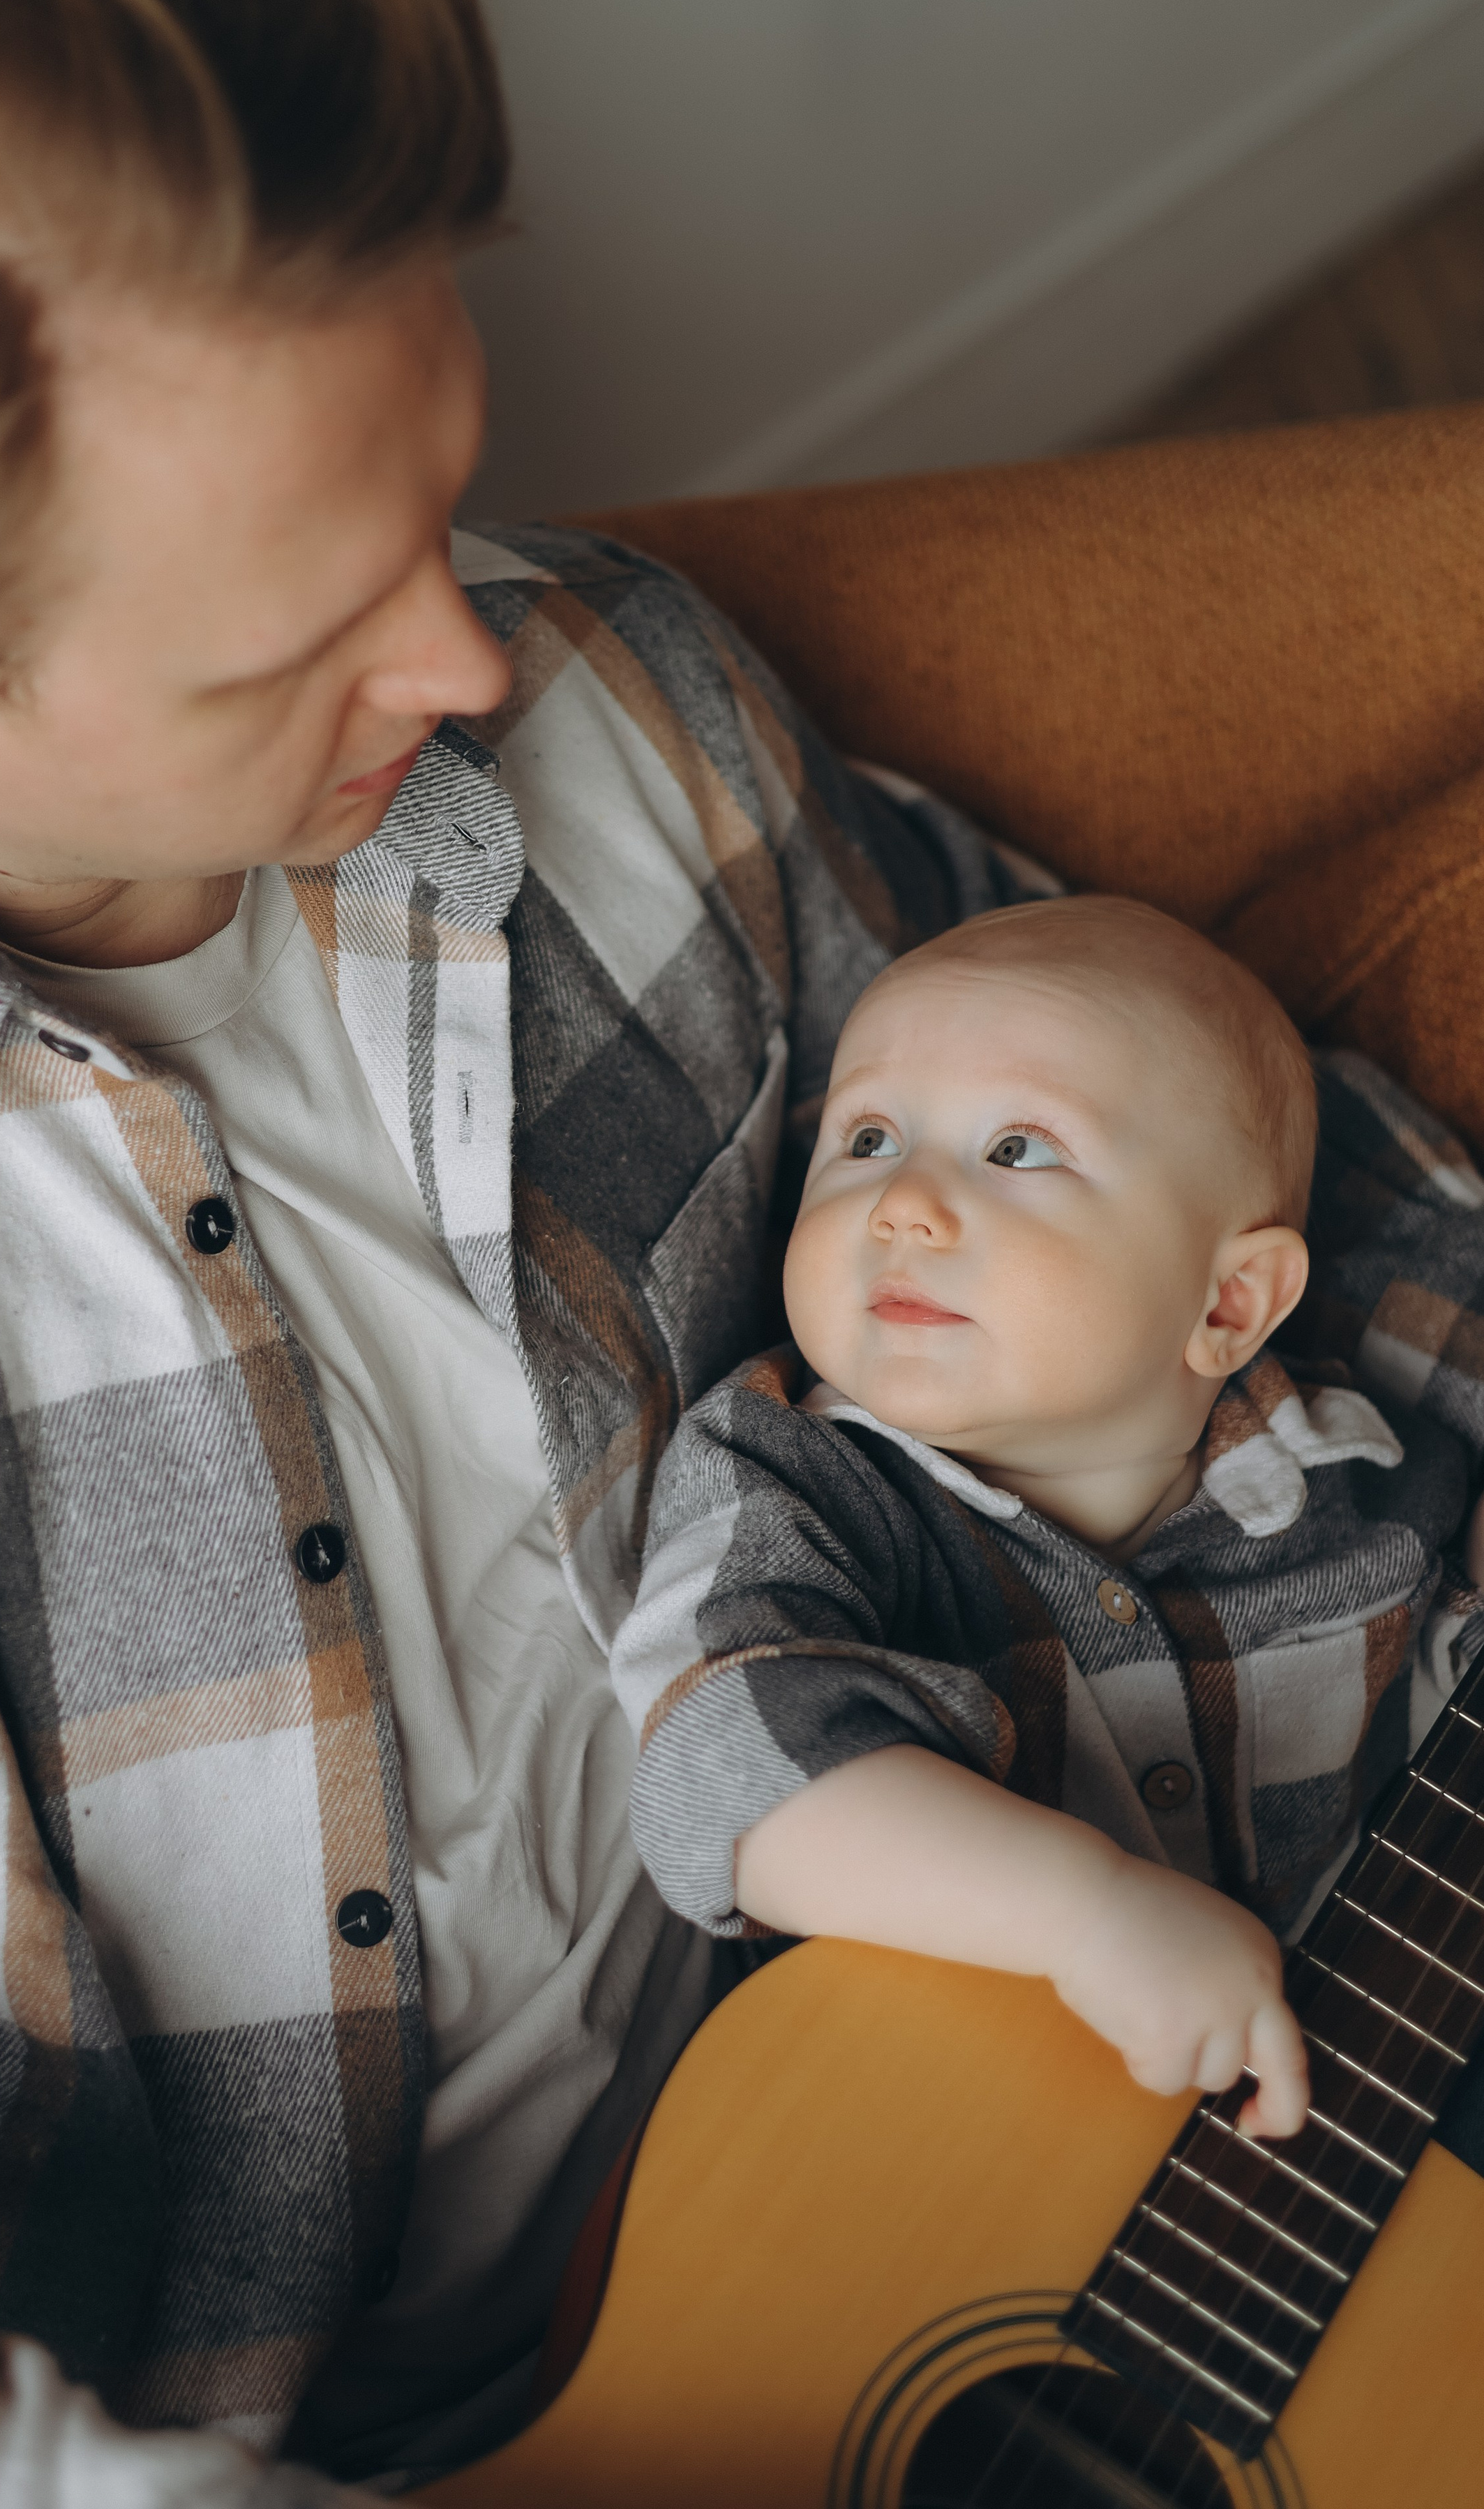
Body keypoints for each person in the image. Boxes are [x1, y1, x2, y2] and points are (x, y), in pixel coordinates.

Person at [0, 0, 1483, 2505]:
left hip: (952, 2089)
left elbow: (1204, 1149)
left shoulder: (614, 705)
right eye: (302, 635)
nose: (471, 657)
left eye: (445, 492)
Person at [613, 897, 1484, 2151]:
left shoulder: (1370, 1473)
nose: (901, 1202)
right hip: (932, 2172)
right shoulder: (789, 1476)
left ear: (1232, 1304)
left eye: (1018, 1149)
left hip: (1359, 2097)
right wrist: (1084, 1913)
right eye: (866, 1136)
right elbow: (726, 1768)